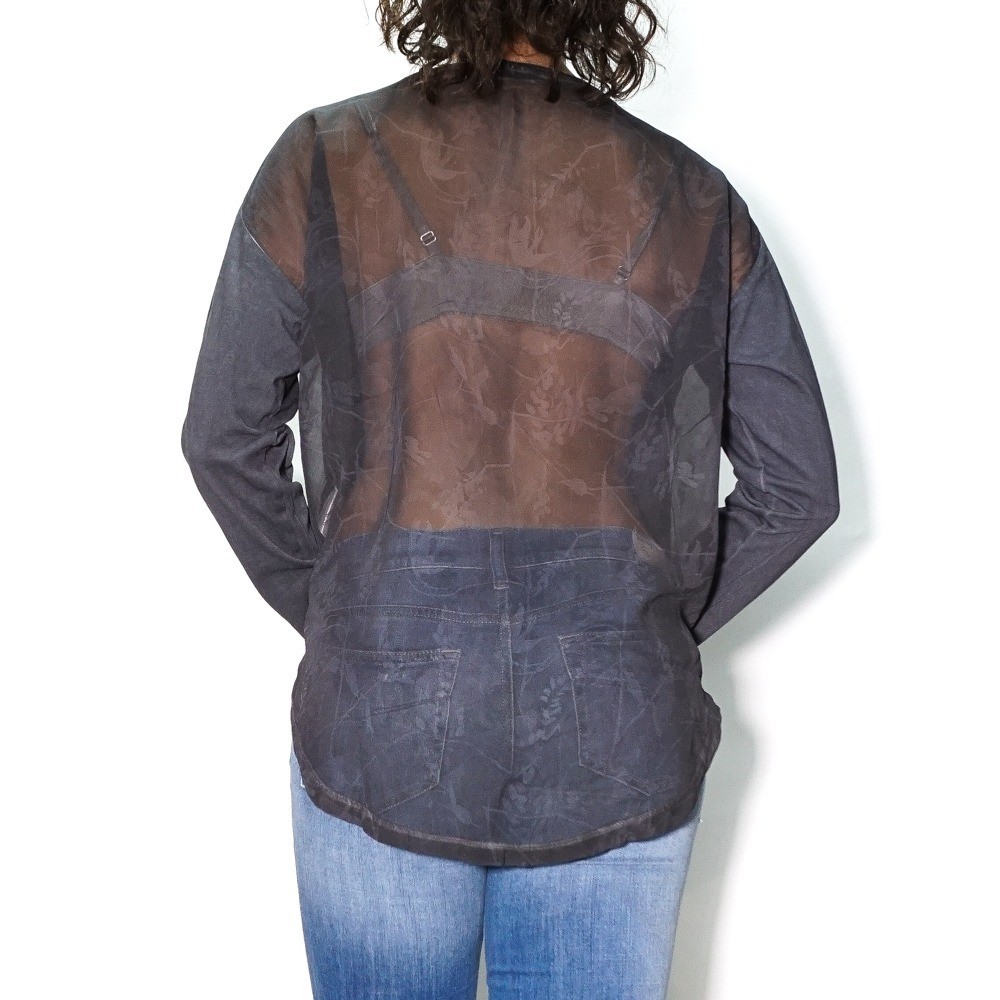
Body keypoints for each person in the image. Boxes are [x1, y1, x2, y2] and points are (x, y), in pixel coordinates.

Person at [180, 2, 840, 997]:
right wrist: (644, 622)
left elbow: (223, 438)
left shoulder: (322, 157)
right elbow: (798, 487)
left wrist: (344, 610)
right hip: (617, 723)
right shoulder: (694, 194)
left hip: (379, 719)